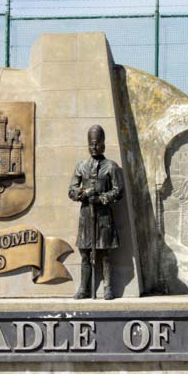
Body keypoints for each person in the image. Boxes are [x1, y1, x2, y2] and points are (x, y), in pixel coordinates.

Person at [68, 125, 124, 300]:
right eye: (90, 144)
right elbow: (71, 190)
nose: (93, 147)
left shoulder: (111, 167)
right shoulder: (81, 167)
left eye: (96, 144)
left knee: (105, 253)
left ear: (103, 145)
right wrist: (84, 193)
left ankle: (108, 287)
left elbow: (118, 190)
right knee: (85, 253)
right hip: (86, 215)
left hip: (103, 216)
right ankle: (84, 287)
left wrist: (101, 198)